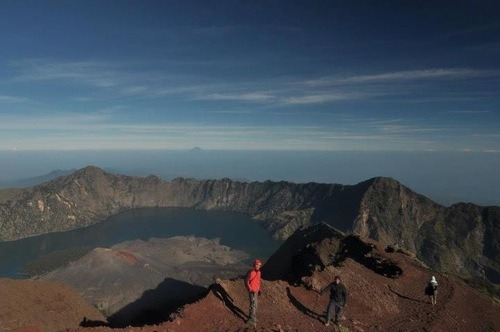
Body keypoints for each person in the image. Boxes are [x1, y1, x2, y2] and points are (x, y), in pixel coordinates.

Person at [245, 259, 262, 326]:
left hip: (256, 291)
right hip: (252, 291)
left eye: (259, 265)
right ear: (254, 265)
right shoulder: (251, 272)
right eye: (257, 265)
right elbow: (247, 281)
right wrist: (250, 289)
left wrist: (259, 289)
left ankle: (253, 317)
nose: (258, 266)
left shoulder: (259, 272)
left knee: (255, 304)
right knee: (253, 305)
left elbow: (258, 281)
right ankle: (251, 320)